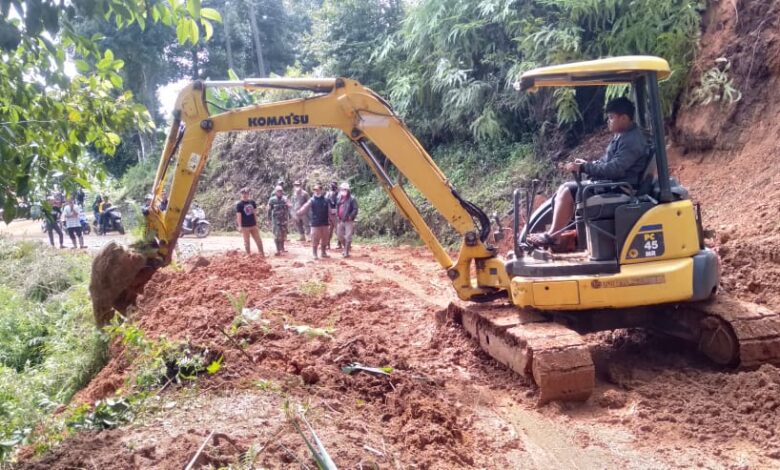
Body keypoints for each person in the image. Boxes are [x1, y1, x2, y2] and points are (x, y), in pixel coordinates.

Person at [527, 97, 649, 248]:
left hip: (621, 188)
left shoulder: (632, 141)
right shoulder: (622, 136)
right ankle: (559, 236)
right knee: (565, 189)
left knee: (568, 191)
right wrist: (587, 164)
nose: (608, 121)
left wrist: (585, 168)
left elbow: (614, 169)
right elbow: (607, 162)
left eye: (611, 118)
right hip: (614, 183)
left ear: (624, 118)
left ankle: (554, 236)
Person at [296, 183, 330, 259]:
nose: (316, 191)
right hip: (315, 223)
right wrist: (299, 212)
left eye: (318, 190)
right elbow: (305, 207)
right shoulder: (312, 200)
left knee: (325, 239)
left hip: (325, 223)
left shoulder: (326, 200)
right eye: (315, 190)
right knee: (315, 239)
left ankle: (323, 252)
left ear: (321, 190)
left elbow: (330, 211)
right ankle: (314, 254)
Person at [235, 187, 265, 255]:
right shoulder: (239, 204)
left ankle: (262, 254)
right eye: (243, 193)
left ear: (248, 194)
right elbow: (238, 216)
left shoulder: (252, 202)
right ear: (241, 194)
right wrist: (239, 226)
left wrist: (256, 223)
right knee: (246, 242)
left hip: (253, 225)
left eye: (246, 193)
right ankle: (248, 254)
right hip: (245, 226)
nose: (245, 195)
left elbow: (254, 213)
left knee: (258, 240)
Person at [336, 182, 359, 257]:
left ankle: (346, 251)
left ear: (348, 190)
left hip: (348, 220)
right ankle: (345, 247)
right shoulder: (339, 198)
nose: (343, 190)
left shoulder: (352, 199)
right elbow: (337, 208)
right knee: (339, 236)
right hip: (340, 220)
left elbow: (355, 209)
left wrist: (351, 216)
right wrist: (337, 216)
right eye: (342, 189)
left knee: (348, 236)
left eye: (345, 189)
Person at [267, 185, 290, 256]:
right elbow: (269, 210)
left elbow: (288, 209)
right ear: (275, 192)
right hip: (275, 220)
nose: (280, 192)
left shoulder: (285, 199)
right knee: (277, 235)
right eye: (278, 191)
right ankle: (278, 250)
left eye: (281, 191)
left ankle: (282, 248)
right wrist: (268, 219)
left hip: (284, 219)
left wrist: (290, 218)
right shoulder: (272, 200)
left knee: (283, 234)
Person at [325, 181, 339, 250]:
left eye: (334, 186)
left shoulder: (339, 194)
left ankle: (340, 243)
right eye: (332, 186)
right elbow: (326, 202)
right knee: (329, 230)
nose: (332, 187)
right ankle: (327, 244)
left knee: (338, 230)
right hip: (329, 213)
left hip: (336, 214)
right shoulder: (328, 194)